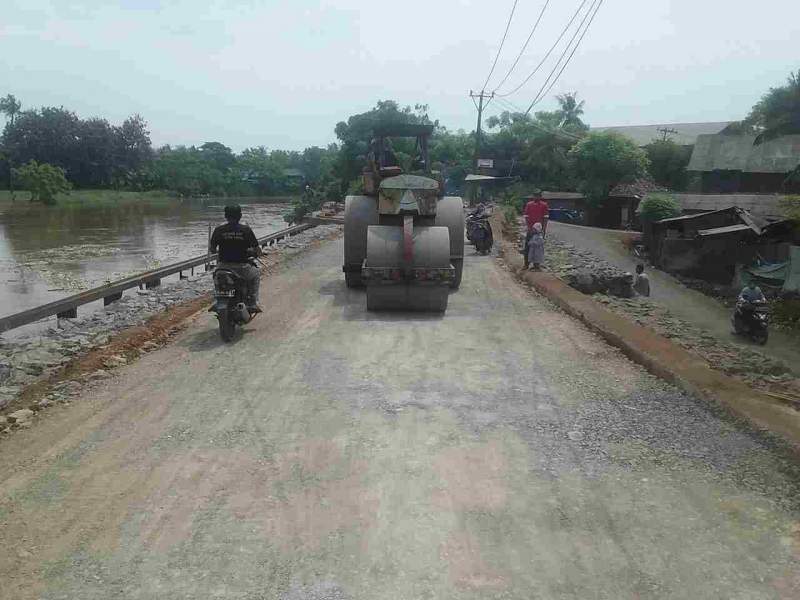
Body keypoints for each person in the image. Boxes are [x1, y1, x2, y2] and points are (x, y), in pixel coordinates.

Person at [209, 204, 263, 313]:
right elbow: (257, 249)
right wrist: (255, 253)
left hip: (223, 266)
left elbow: (212, 250)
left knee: (217, 278)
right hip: (242, 267)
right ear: (240, 216)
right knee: (256, 274)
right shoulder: (246, 230)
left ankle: (218, 300)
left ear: (226, 216)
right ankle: (253, 302)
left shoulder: (219, 230)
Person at [523, 192, 549, 267]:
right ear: (533, 196)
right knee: (528, 246)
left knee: (538, 248)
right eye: (535, 195)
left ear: (540, 196)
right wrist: (529, 228)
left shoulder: (544, 205)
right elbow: (526, 217)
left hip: (539, 230)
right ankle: (526, 264)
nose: (536, 197)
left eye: (538, 196)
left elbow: (545, 218)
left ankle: (536, 265)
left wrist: (543, 230)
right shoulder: (529, 205)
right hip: (531, 229)